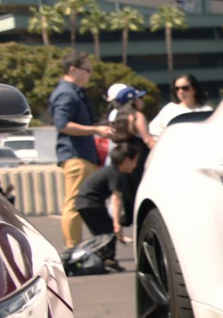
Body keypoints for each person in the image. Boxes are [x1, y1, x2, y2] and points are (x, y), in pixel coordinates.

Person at [48, 51, 113, 249]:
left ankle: (82, 247)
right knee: (75, 203)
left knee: (81, 202)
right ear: (73, 69)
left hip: (83, 155)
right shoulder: (66, 93)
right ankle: (72, 249)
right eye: (87, 70)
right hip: (76, 156)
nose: (90, 74)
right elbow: (63, 124)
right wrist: (97, 129)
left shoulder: (74, 92)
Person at [73, 139, 144, 271]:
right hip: (90, 204)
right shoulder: (116, 174)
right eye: (135, 161)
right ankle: (109, 261)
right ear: (127, 160)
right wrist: (117, 224)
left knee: (102, 234)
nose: (136, 165)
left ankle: (103, 259)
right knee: (108, 233)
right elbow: (116, 200)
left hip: (84, 203)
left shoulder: (111, 171)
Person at [147, 74, 212, 139]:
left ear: (194, 89)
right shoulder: (169, 109)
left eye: (185, 88)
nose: (181, 91)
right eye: (177, 89)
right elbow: (155, 128)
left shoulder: (206, 110)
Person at [105, 83, 152, 149]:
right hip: (136, 153)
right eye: (140, 97)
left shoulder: (117, 114)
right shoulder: (136, 116)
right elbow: (148, 140)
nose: (142, 100)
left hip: (121, 153)